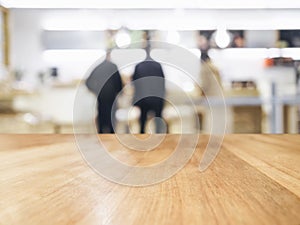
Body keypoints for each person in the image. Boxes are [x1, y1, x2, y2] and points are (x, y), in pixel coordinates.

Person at [86, 50, 122, 133]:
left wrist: (96, 91)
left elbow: (88, 82)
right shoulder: (113, 66)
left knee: (101, 118)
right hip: (112, 97)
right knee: (112, 119)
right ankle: (112, 139)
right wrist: (117, 92)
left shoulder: (98, 67)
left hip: (101, 96)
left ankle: (101, 138)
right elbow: (119, 83)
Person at [132, 44, 165, 133]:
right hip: (157, 99)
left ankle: (142, 144)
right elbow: (162, 83)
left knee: (142, 123)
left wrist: (135, 100)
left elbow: (135, 84)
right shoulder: (158, 66)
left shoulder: (139, 66)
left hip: (143, 99)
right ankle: (159, 142)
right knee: (158, 125)